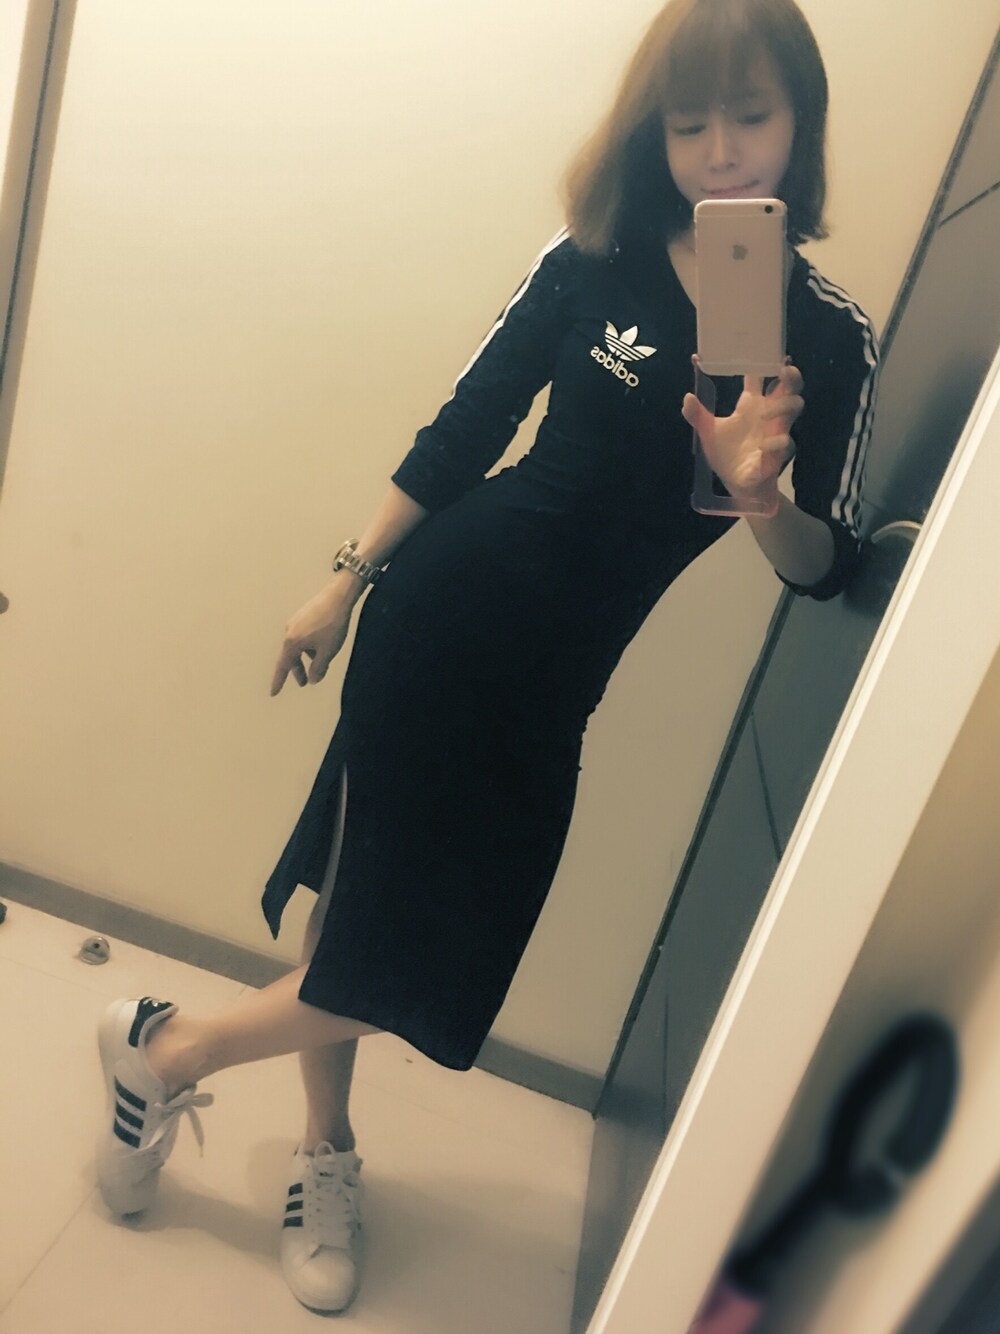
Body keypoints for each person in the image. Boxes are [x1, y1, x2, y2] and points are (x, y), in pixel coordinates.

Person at [94, 0, 879, 1315]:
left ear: (801, 121)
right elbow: (466, 427)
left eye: (751, 115)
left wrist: (763, 501)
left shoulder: (831, 336)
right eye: (689, 122)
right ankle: (316, 1149)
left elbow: (829, 568)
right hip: (442, 617)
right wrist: (342, 582)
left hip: (555, 683)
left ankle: (164, 1046)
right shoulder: (594, 256)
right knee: (371, 911)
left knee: (443, 954)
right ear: (653, 132)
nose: (720, 150)